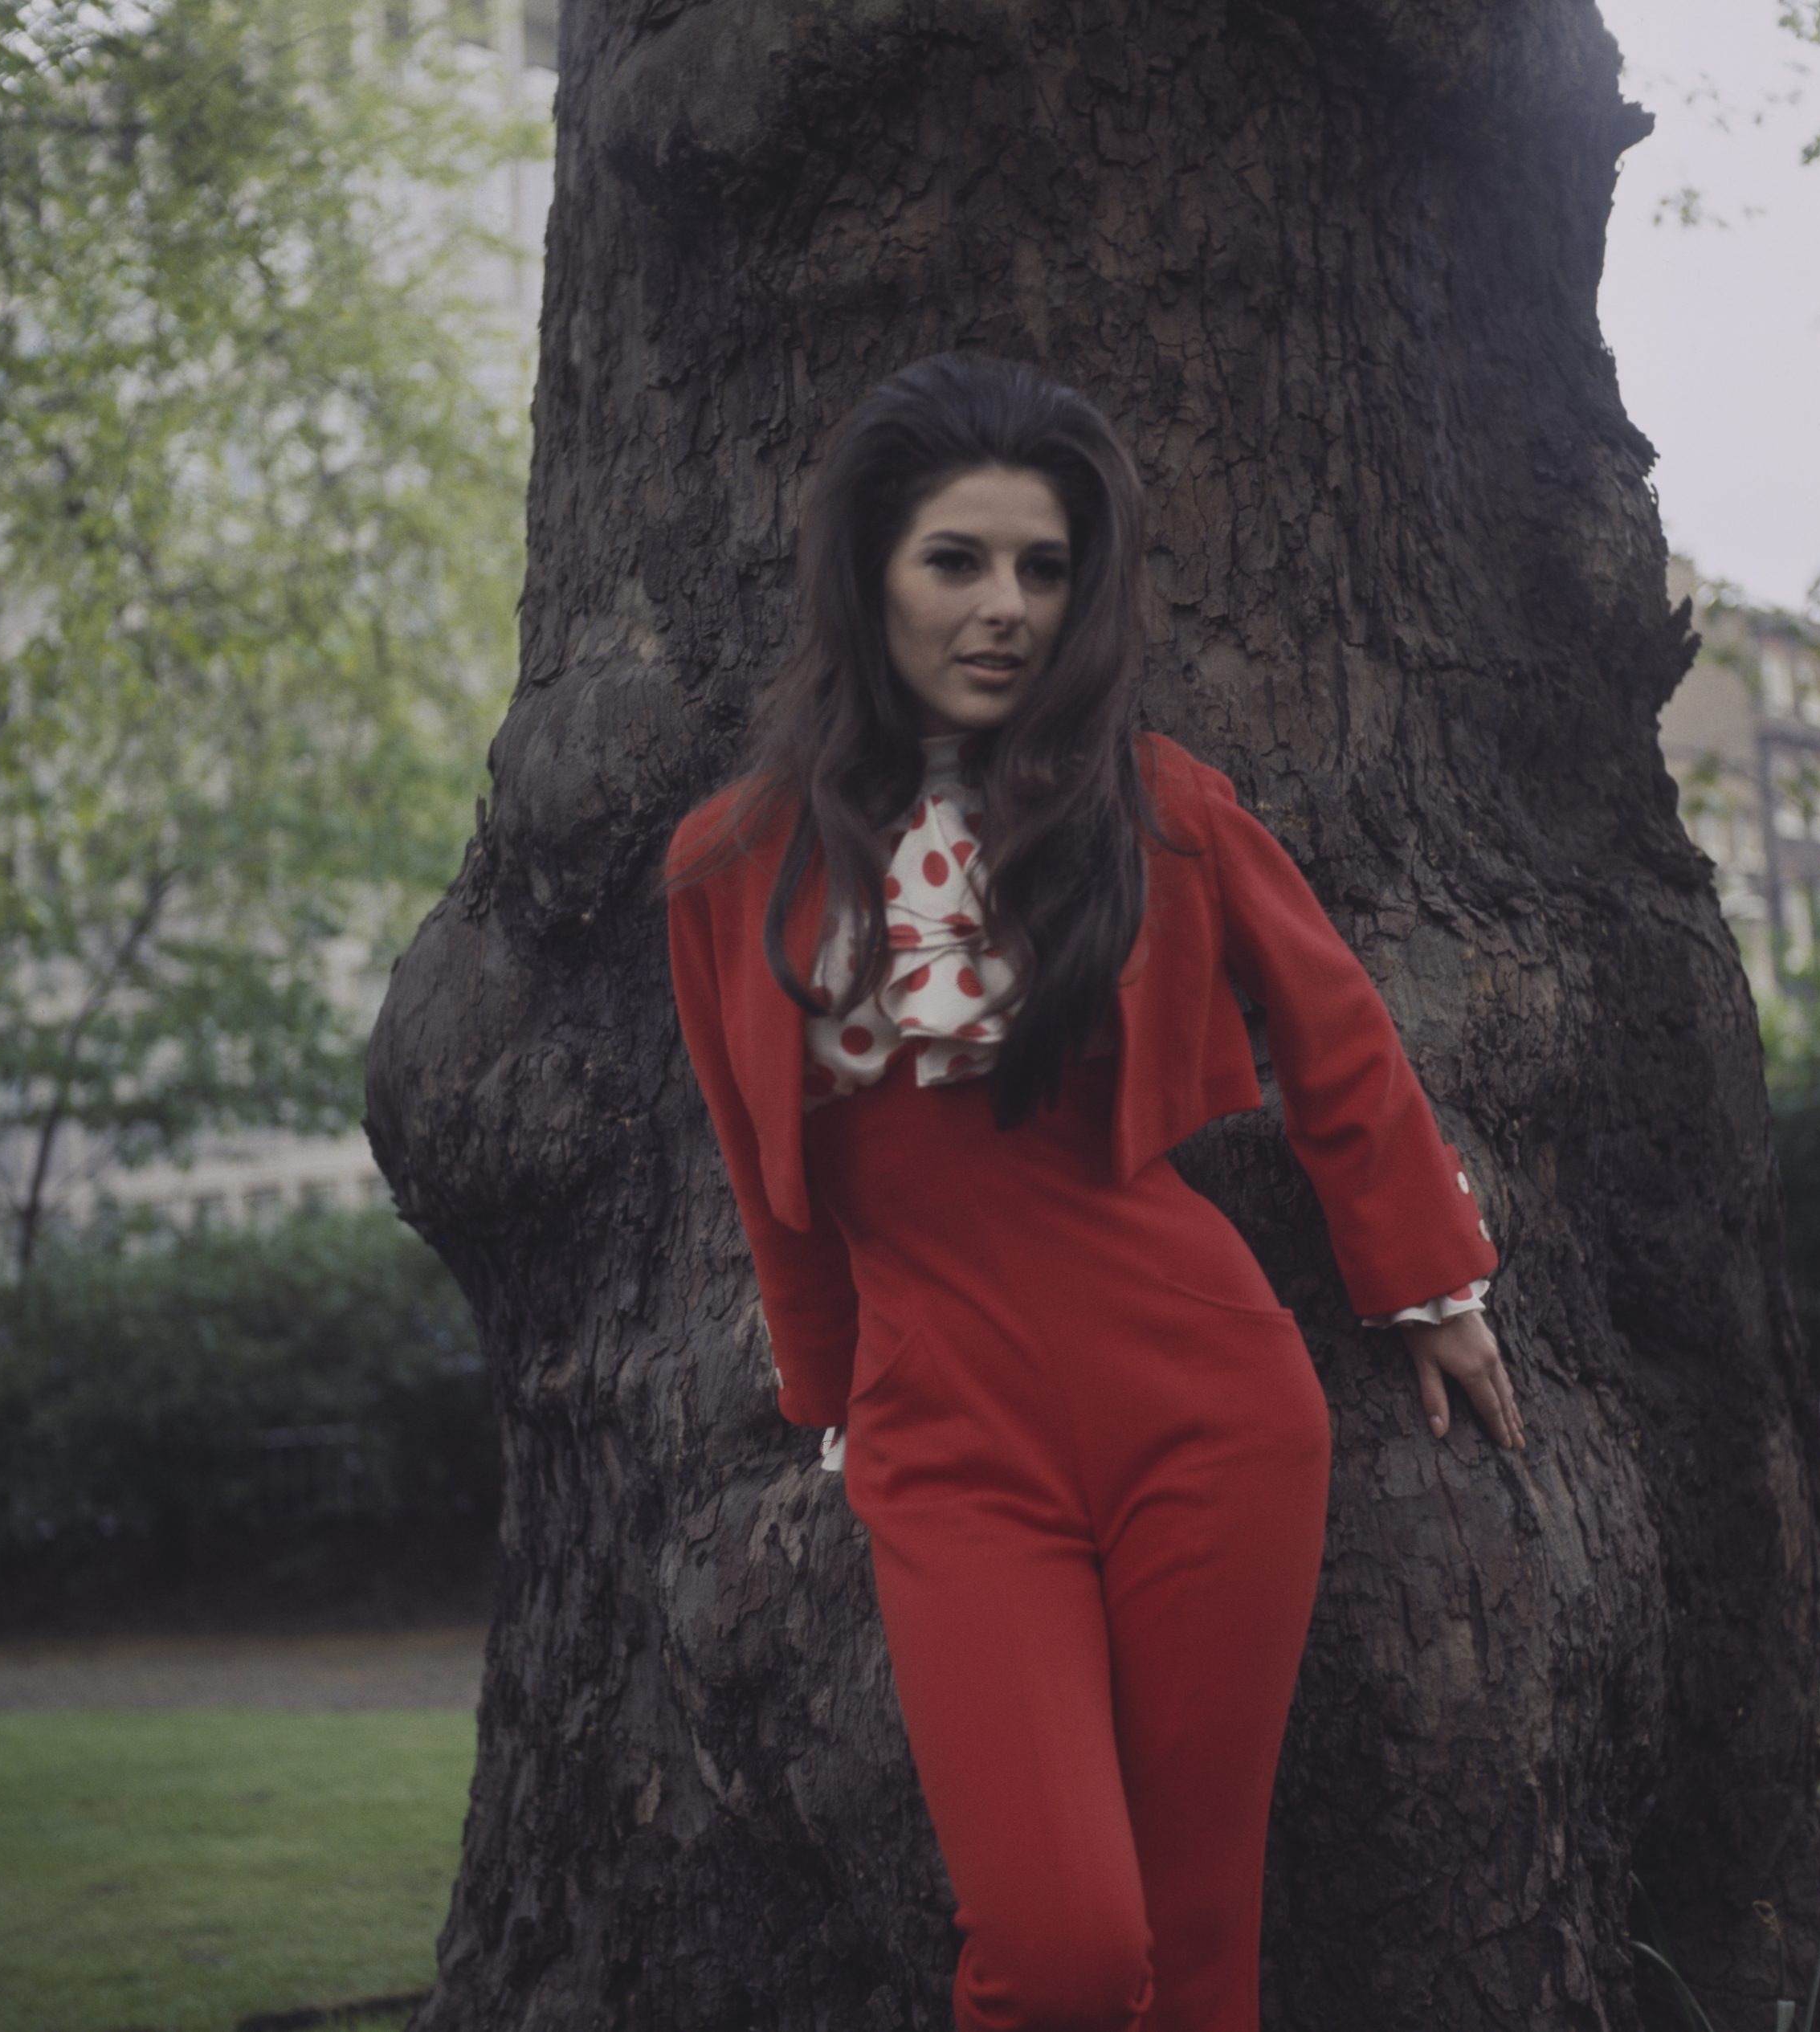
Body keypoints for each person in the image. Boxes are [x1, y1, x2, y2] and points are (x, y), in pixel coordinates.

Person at [662, 351, 1524, 2032]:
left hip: (1205, 1400)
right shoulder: (724, 864)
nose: (1004, 609)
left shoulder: (1159, 807)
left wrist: (1428, 1281)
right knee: (1058, 1950)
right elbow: (766, 1178)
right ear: (869, 571)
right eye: (956, 560)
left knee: (1200, 1944)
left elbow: (1335, 1033)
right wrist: (827, 1390)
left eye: (1043, 568)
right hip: (941, 1440)